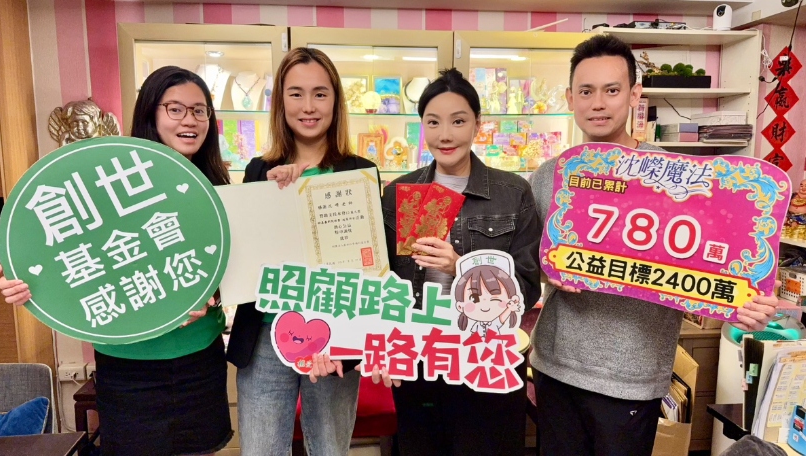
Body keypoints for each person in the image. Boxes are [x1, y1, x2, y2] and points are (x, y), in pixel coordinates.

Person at [528, 34, 780, 456]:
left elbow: (712, 269)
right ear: (570, 97)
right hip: (555, 366)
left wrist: (745, 302)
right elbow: (529, 263)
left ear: (634, 95)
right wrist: (549, 270)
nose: (598, 103)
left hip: (633, 376)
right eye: (586, 91)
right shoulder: (550, 175)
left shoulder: (676, 178)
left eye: (612, 90)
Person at [0, 65, 232, 455]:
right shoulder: (107, 180)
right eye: (175, 109)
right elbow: (59, 250)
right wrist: (24, 281)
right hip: (128, 367)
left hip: (199, 361)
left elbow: (232, 272)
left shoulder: (217, 188)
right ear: (151, 114)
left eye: (200, 110)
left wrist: (214, 297)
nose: (190, 120)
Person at [225, 47, 379, 456]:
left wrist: (348, 336)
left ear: (335, 101)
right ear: (280, 101)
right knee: (260, 449)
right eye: (296, 94)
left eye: (320, 94)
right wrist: (270, 194)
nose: (308, 106)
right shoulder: (259, 169)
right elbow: (245, 251)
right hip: (264, 332)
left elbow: (369, 265)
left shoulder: (360, 171)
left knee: (330, 447)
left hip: (336, 332)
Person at [380, 68, 541, 456]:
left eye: (458, 121)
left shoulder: (512, 192)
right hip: (421, 358)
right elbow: (382, 283)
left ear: (477, 124)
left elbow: (527, 286)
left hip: (485, 356)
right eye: (433, 122)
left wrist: (463, 268)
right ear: (422, 126)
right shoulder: (399, 193)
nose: (445, 135)